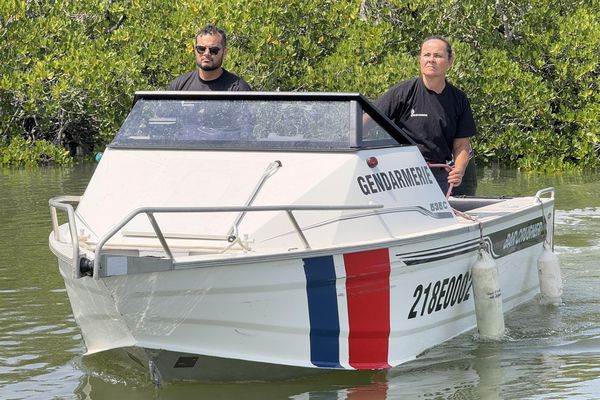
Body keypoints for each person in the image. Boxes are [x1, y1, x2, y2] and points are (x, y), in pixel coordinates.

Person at [375, 36, 478, 195]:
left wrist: (459, 169)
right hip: (403, 176)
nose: (431, 60)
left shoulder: (459, 99)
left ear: (450, 61)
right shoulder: (402, 92)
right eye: (426, 55)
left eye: (437, 56)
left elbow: (462, 145)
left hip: (440, 175)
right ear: (420, 59)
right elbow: (365, 121)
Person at [168, 23, 251, 91]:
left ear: (225, 52)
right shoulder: (179, 86)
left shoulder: (238, 89)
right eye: (201, 49)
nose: (206, 53)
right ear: (195, 50)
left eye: (213, 50)